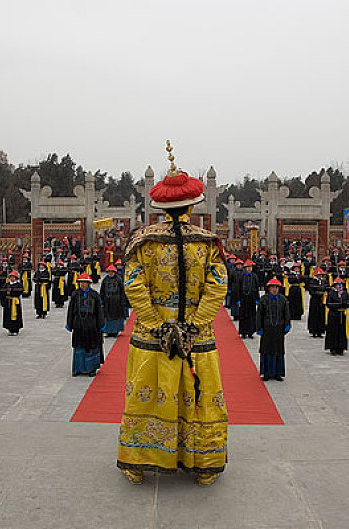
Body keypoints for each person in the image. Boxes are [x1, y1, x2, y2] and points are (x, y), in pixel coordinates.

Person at [117, 143, 228, 486]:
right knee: (201, 394)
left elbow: (134, 286)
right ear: (193, 205)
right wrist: (193, 325)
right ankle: (204, 464)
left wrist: (158, 323)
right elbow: (217, 287)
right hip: (198, 335)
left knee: (145, 392)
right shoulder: (208, 243)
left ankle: (138, 460)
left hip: (153, 334)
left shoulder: (142, 241)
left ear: (161, 206)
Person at [66, 273, 104, 376]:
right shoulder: (75, 295)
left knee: (91, 346)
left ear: (89, 283)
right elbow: (70, 311)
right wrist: (69, 323)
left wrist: (101, 324)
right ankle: (78, 369)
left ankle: (90, 369)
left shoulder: (94, 295)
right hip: (78, 324)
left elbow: (99, 311)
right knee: (78, 346)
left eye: (85, 282)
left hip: (91, 325)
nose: (83, 285)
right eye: (81, 282)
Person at [256, 277, 290, 381]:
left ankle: (277, 373)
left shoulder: (283, 300)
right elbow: (259, 315)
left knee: (278, 350)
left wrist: (287, 325)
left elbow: (287, 314)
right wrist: (259, 328)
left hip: (279, 329)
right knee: (266, 350)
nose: (274, 289)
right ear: (269, 289)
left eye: (276, 287)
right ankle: (266, 373)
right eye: (272, 287)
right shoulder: (264, 299)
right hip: (266, 329)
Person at [324, 278, 349, 356]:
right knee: (333, 330)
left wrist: (344, 304)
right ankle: (333, 347)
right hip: (333, 314)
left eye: (341, 285)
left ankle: (341, 347)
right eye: (338, 285)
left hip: (342, 314)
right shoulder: (331, 293)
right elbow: (328, 303)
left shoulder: (345, 293)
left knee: (342, 331)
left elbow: (348, 302)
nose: (339, 287)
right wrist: (338, 305)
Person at [236, 260, 260, 339]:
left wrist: (257, 299)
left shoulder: (255, 276)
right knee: (243, 315)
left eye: (251, 267)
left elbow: (257, 288)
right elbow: (238, 288)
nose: (250, 269)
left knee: (252, 315)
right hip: (243, 298)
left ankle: (251, 332)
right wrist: (238, 300)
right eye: (248, 267)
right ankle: (243, 332)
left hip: (252, 298)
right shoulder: (241, 276)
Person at [100, 265, 125, 337]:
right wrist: (101, 300)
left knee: (116, 316)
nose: (110, 273)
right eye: (109, 272)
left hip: (116, 301)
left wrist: (122, 301)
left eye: (112, 272)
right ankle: (108, 331)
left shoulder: (118, 279)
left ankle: (115, 331)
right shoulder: (105, 280)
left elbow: (122, 291)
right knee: (107, 317)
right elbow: (102, 291)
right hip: (107, 301)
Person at [306, 268, 328, 338]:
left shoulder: (324, 281)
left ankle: (320, 331)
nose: (320, 276)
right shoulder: (312, 281)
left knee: (321, 315)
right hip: (315, 300)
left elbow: (327, 288)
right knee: (314, 315)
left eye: (321, 275)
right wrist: (317, 294)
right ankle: (313, 331)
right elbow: (311, 291)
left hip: (322, 300)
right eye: (318, 275)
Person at [2, 271, 24, 336]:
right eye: (11, 277)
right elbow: (3, 292)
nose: (12, 278)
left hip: (15, 301)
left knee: (16, 315)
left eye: (13, 277)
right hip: (8, 301)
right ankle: (9, 328)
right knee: (8, 315)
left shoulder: (19, 284)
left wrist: (11, 291)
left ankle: (16, 329)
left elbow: (20, 291)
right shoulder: (6, 284)